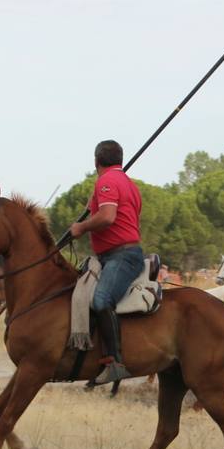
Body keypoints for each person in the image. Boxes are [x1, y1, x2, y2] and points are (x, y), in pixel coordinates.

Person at [70, 139, 143, 385]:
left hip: (121, 256)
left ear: (96, 161)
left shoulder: (107, 181)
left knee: (101, 300)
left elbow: (108, 217)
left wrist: (81, 226)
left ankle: (115, 362)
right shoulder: (129, 185)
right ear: (120, 160)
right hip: (115, 255)